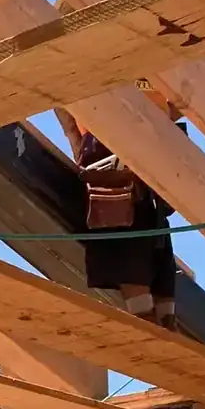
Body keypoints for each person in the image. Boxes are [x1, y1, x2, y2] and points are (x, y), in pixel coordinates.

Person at [55, 104, 180, 328]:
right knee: (149, 258)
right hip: (137, 180)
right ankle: (163, 325)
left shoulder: (90, 89)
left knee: (132, 259)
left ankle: (156, 326)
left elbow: (69, 122)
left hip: (119, 183)